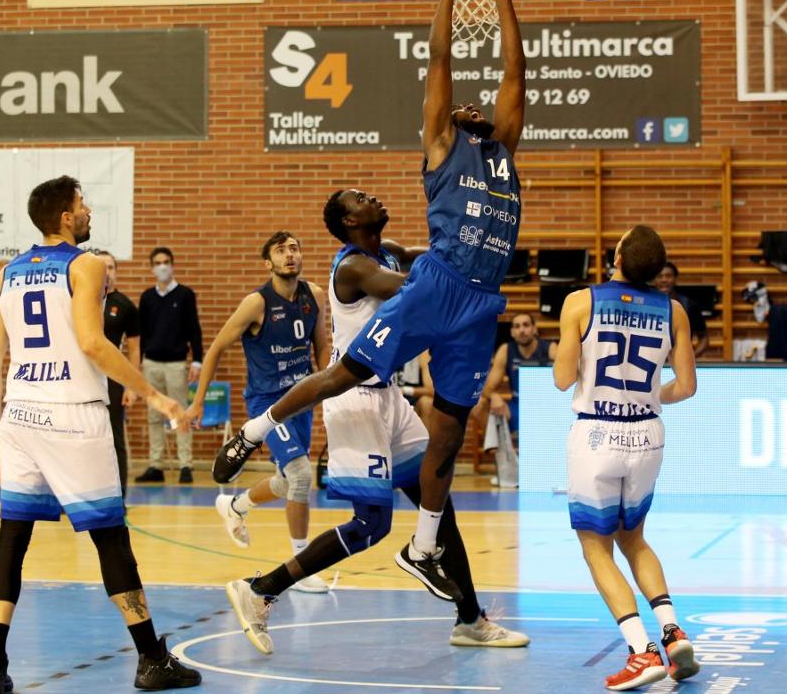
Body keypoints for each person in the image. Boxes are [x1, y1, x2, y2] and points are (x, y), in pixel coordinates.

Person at [212, 0, 525, 601]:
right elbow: (441, 63)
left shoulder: (503, 151)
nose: (478, 108)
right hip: (434, 290)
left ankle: (426, 546)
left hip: (476, 301)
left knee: (452, 429)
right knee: (345, 381)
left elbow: (515, 80)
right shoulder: (441, 147)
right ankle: (255, 432)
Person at [223, 188, 529, 652]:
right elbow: (417, 289)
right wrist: (462, 278)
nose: (375, 197)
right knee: (371, 525)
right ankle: (260, 588)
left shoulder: (385, 252)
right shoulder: (353, 268)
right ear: (349, 222)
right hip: (354, 400)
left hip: (388, 398)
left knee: (437, 500)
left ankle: (470, 619)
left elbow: (433, 260)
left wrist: (480, 247)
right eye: (362, 198)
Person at [0, 176, 199, 693]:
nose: (88, 210)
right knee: (110, 538)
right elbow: (93, 344)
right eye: (82, 205)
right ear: (64, 217)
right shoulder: (87, 264)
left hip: (19, 415)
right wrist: (157, 396)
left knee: (12, 539)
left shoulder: (5, 274)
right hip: (73, 413)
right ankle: (150, 659)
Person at [553, 225, 700, 690]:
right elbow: (688, 386)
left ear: (616, 254)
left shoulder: (580, 302)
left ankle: (641, 651)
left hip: (596, 430)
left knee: (595, 547)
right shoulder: (673, 309)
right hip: (648, 432)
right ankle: (673, 632)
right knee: (634, 539)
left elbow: (560, 380)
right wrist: (649, 396)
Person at [181, 231, 330, 593]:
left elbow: (322, 345)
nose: (290, 255)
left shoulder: (315, 295)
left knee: (286, 481)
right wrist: (198, 401)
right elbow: (215, 348)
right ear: (269, 263)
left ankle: (235, 505)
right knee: (300, 476)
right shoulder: (256, 304)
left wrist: (329, 391)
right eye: (281, 251)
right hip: (268, 406)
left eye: (295, 247)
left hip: (303, 399)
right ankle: (300, 568)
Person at [135, 247, 204, 484]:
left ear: (172, 265)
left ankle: (185, 464)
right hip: (151, 363)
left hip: (176, 364)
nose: (162, 266)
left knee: (180, 414)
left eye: (166, 262)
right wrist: (139, 364)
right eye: (157, 262)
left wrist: (197, 360)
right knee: (154, 415)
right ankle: (156, 465)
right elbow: (141, 335)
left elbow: (194, 329)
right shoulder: (147, 297)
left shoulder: (185, 295)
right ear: (152, 267)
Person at [473, 312, 556, 487]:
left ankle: (546, 469)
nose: (522, 330)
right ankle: (508, 467)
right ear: (512, 332)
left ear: (534, 329)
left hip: (545, 407)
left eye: (526, 325)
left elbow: (569, 378)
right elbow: (487, 387)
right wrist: (495, 396)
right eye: (517, 326)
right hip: (517, 405)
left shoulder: (550, 348)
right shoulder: (506, 350)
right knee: (478, 406)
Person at [95, 250, 140, 498]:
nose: (107, 272)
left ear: (116, 272)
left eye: (111, 267)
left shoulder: (124, 306)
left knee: (114, 439)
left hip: (112, 381)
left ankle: (118, 495)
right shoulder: (81, 300)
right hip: (83, 378)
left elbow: (134, 350)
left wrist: (131, 386)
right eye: (102, 267)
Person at [652, 262, 709, 358]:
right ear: (654, 280)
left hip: (679, 364)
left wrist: (690, 358)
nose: (664, 280)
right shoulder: (645, 305)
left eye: (668, 276)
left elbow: (704, 338)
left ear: (675, 279)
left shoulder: (689, 305)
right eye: (660, 276)